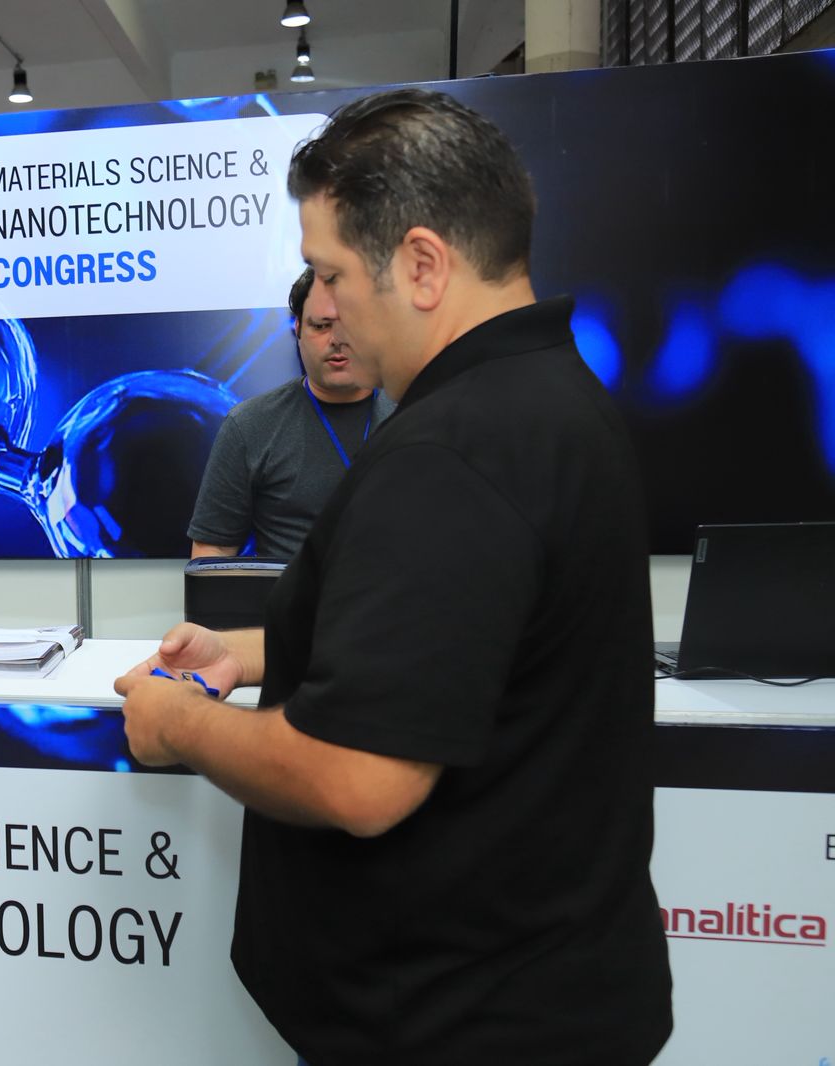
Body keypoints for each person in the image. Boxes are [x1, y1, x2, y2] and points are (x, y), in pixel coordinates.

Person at [116, 88, 672, 1065]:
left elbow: (358, 777)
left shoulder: (449, 452)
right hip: (541, 988)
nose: (324, 308)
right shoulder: (554, 400)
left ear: (420, 264)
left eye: (330, 273)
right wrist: (250, 653)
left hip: (454, 1020)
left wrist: (179, 724)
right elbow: (462, 644)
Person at [187, 267, 395, 559]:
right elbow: (213, 551)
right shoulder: (249, 425)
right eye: (321, 325)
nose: (337, 338)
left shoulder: (419, 414)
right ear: (297, 328)